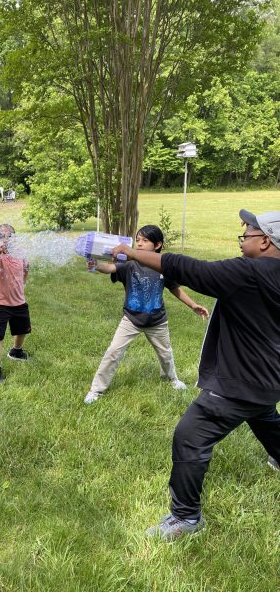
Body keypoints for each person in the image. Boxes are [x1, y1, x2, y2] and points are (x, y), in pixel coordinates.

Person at [111, 210, 280, 540]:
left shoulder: (250, 273)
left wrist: (131, 252)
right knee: (264, 418)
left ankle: (186, 518)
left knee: (191, 436)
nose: (242, 238)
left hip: (240, 380)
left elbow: (188, 269)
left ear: (264, 241)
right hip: (269, 377)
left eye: (246, 233)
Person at [84, 225, 209, 404]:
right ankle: (96, 390)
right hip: (131, 319)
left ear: (157, 245)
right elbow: (110, 268)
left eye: (145, 240)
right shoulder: (128, 263)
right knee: (113, 352)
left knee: (165, 354)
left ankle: (172, 379)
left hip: (157, 321)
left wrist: (193, 305)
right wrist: (97, 265)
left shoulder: (162, 267)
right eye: (138, 240)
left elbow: (175, 289)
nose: (140, 244)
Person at [0, 223, 31, 382]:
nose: (6, 239)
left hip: (19, 301)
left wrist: (23, 284)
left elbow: (25, 271)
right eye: (2, 236)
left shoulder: (21, 256)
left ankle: (16, 351)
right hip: (0, 303)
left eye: (10, 236)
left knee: (22, 330)